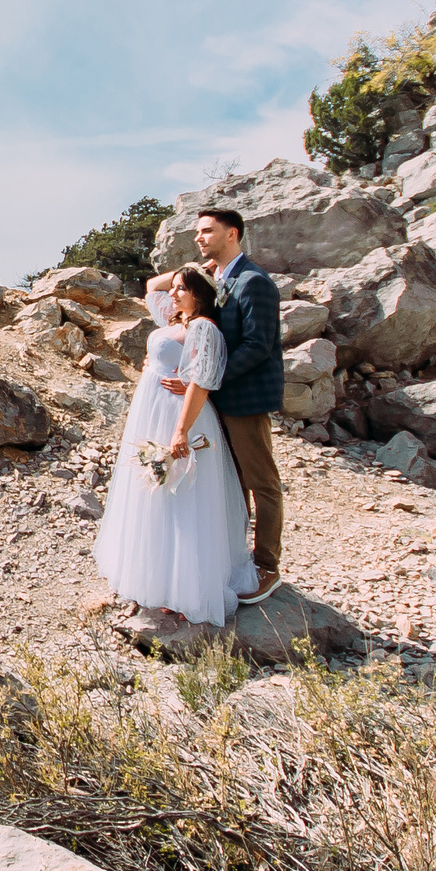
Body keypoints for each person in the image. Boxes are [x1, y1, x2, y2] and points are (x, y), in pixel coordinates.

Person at [94, 265, 258, 625]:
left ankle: (186, 589)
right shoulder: (173, 318)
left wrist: (181, 431)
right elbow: (153, 286)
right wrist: (191, 269)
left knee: (182, 496)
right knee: (154, 496)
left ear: (199, 294)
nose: (173, 293)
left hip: (179, 417)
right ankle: (156, 579)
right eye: (176, 288)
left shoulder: (203, 327)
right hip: (151, 411)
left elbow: (201, 381)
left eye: (182, 288)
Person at [185, 206, 286, 603]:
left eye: (207, 231)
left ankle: (267, 567)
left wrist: (209, 378)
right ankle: (236, 559)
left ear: (232, 234)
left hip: (246, 399)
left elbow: (259, 345)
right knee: (231, 483)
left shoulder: (254, 281)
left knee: (262, 483)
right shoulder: (220, 278)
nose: (199, 237)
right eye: (198, 232)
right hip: (220, 401)